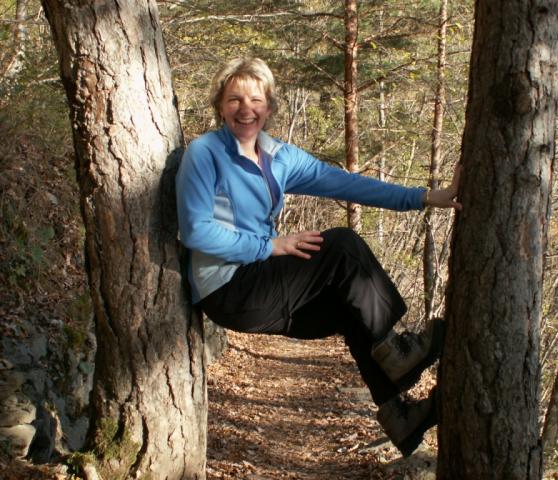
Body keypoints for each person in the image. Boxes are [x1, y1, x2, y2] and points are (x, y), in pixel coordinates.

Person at [176, 57, 462, 458]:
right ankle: (397, 353)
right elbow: (196, 231)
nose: (245, 109)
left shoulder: (279, 156)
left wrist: (426, 197)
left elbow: (346, 184)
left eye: (255, 99)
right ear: (220, 106)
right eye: (234, 99)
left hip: (263, 283)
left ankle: (399, 416)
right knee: (341, 245)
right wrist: (271, 246)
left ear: (269, 107)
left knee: (351, 308)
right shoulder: (204, 153)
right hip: (228, 290)